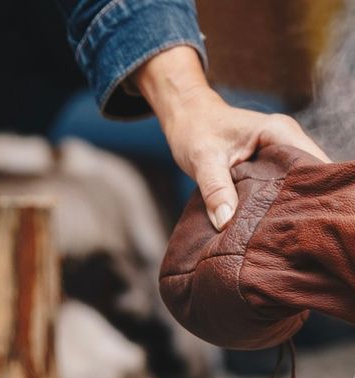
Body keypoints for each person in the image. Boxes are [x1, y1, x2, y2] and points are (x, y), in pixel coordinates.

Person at [55, 0, 330, 231]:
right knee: (211, 150)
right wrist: (188, 100)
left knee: (267, 112)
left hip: (115, 84)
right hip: (57, 103)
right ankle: (216, 251)